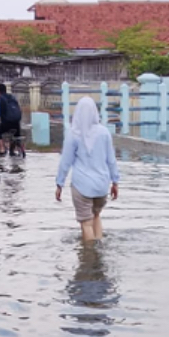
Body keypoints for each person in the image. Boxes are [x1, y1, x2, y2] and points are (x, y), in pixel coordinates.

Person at [56, 97, 120, 242]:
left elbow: (65, 162)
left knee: (86, 223)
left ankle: (89, 258)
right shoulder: (104, 133)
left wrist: (59, 183)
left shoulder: (73, 134)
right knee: (96, 216)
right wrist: (115, 182)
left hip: (82, 187)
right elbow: (111, 160)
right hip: (101, 187)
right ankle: (99, 249)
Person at [0, 83, 22, 155]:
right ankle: (12, 151)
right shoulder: (12, 97)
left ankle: (2, 148)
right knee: (15, 135)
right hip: (16, 122)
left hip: (6, 123)